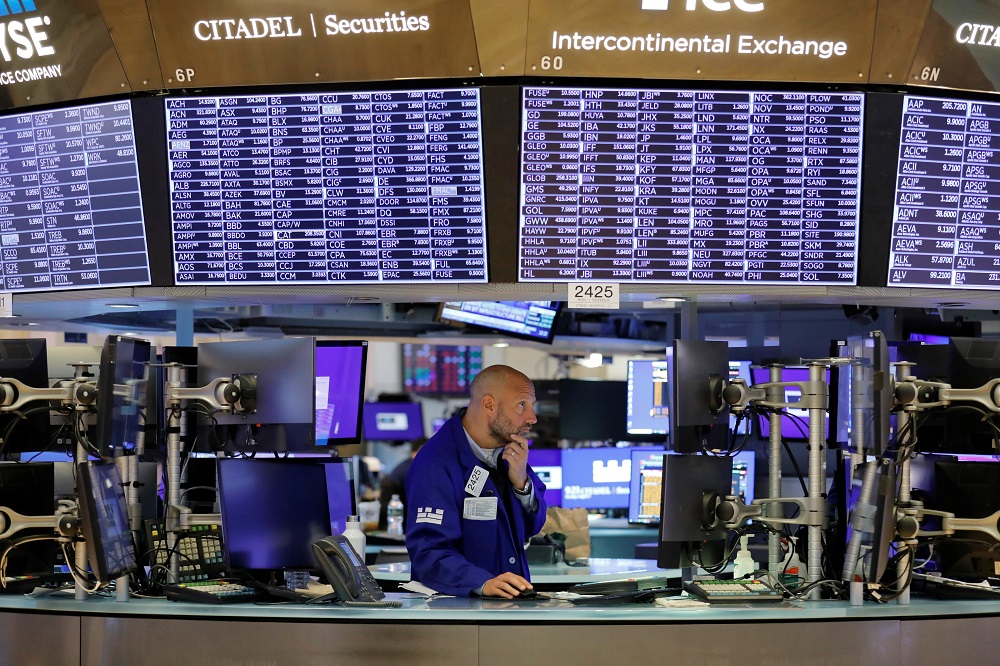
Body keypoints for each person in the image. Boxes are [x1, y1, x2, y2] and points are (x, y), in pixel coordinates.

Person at [404, 365, 547, 597]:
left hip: (508, 604)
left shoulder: (508, 453)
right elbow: (429, 552)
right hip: (457, 611)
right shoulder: (435, 464)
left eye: (532, 406)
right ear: (489, 405)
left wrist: (522, 484)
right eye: (522, 405)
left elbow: (533, 526)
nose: (532, 417)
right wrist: (481, 582)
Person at [377, 437, 426, 530]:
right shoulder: (414, 468)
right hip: (398, 523)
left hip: (390, 522)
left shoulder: (407, 464)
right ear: (413, 452)